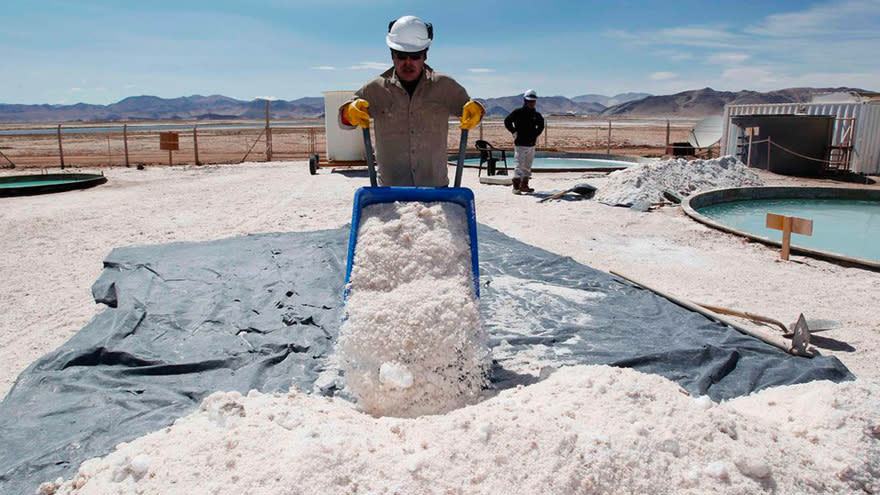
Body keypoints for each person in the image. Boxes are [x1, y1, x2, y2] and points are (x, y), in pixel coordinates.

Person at [338, 15, 484, 187]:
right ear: (392, 55)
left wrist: (477, 111)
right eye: (401, 56)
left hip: (435, 188)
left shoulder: (446, 86)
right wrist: (349, 112)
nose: (408, 62)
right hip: (390, 191)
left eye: (415, 56)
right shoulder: (375, 89)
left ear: (425, 55)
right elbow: (344, 122)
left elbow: (471, 111)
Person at [503, 89, 544, 194]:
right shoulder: (518, 112)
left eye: (533, 101)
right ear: (525, 101)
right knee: (519, 165)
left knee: (527, 166)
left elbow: (541, 125)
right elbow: (507, 121)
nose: (531, 103)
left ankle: (524, 185)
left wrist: (535, 134)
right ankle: (516, 186)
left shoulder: (536, 115)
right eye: (529, 101)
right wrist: (513, 131)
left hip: (531, 144)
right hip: (520, 143)